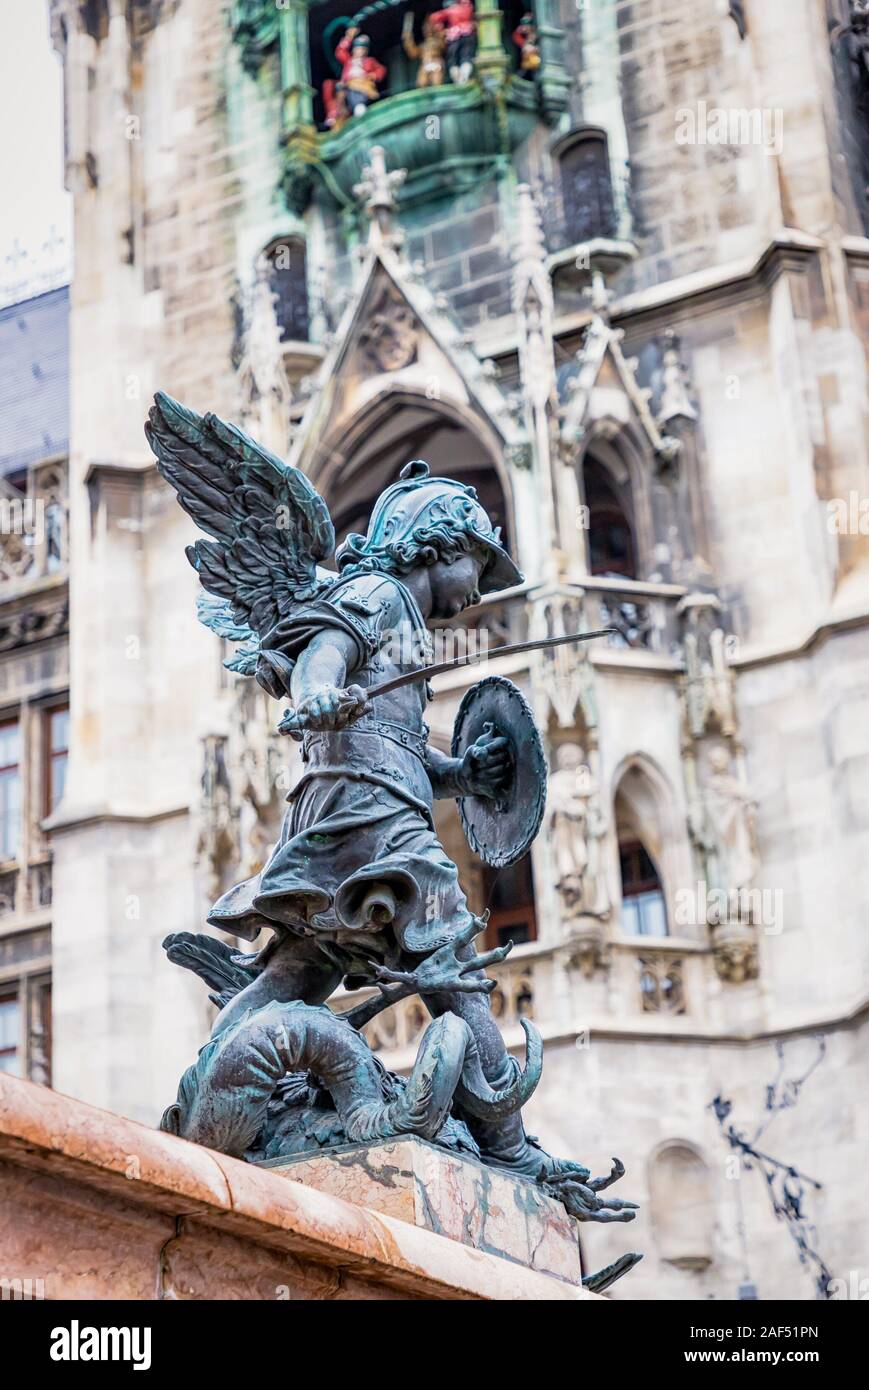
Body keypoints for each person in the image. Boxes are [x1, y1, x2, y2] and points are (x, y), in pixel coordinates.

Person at [334, 27, 386, 117]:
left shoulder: (370, 61)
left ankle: (360, 106)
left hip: (364, 83)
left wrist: (374, 75)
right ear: (354, 50)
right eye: (358, 49)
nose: (360, 52)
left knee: (362, 91)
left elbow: (381, 69)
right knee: (344, 91)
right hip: (349, 85)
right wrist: (349, 37)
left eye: (363, 49)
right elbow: (340, 52)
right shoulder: (348, 61)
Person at [430, 1, 477, 85]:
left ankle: (460, 79)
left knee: (454, 60)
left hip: (455, 36)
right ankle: (463, 78)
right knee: (466, 57)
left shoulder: (452, 9)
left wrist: (440, 28)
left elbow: (434, 17)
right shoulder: (468, 7)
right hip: (466, 34)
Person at [402, 12, 447, 88]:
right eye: (425, 28)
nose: (427, 29)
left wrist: (441, 35)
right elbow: (413, 53)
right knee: (421, 84)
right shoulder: (423, 45)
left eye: (430, 27)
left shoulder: (438, 40)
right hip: (425, 64)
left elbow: (443, 47)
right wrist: (408, 40)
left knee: (437, 84)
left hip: (436, 62)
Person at [512, 12, 541, 78]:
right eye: (523, 23)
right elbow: (516, 36)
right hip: (528, 64)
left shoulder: (537, 32)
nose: (524, 27)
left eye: (527, 23)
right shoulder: (522, 34)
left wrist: (535, 49)